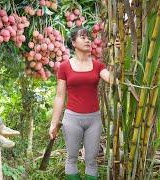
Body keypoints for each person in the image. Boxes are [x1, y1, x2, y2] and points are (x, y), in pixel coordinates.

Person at [49, 27, 119, 180]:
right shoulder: (65, 67)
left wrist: (117, 55)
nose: (88, 40)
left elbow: (113, 80)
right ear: (73, 42)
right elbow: (60, 96)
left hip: (94, 119)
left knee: (92, 161)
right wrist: (54, 123)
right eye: (83, 37)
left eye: (89, 38)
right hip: (72, 119)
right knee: (72, 158)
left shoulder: (98, 65)